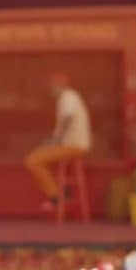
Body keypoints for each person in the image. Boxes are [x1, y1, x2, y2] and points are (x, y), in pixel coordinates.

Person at [24, 72, 92, 211]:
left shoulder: (68, 96)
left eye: (52, 86)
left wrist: (56, 140)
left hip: (73, 145)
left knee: (33, 160)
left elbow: (67, 117)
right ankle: (63, 191)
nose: (50, 89)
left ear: (59, 86)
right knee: (41, 155)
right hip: (69, 145)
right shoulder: (68, 97)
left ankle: (55, 196)